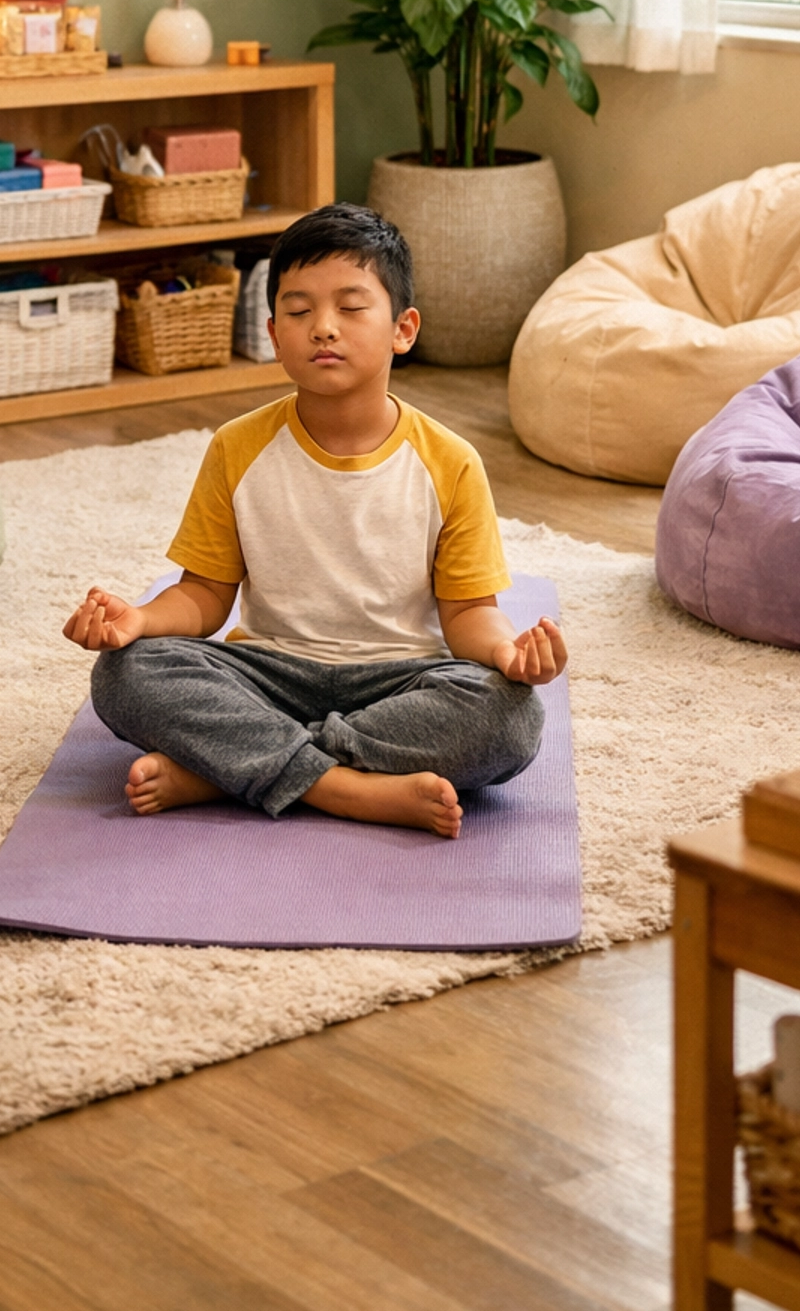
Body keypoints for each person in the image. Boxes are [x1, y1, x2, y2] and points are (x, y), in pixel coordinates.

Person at [63, 202, 568, 839]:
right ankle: (351, 789)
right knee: (126, 673)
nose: (323, 327)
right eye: (299, 312)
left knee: (509, 717)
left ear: (402, 329)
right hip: (269, 672)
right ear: (275, 337)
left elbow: (467, 614)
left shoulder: (452, 463)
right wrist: (138, 620)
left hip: (400, 682)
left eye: (351, 308)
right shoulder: (236, 447)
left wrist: (507, 652)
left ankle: (228, 770)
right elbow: (205, 595)